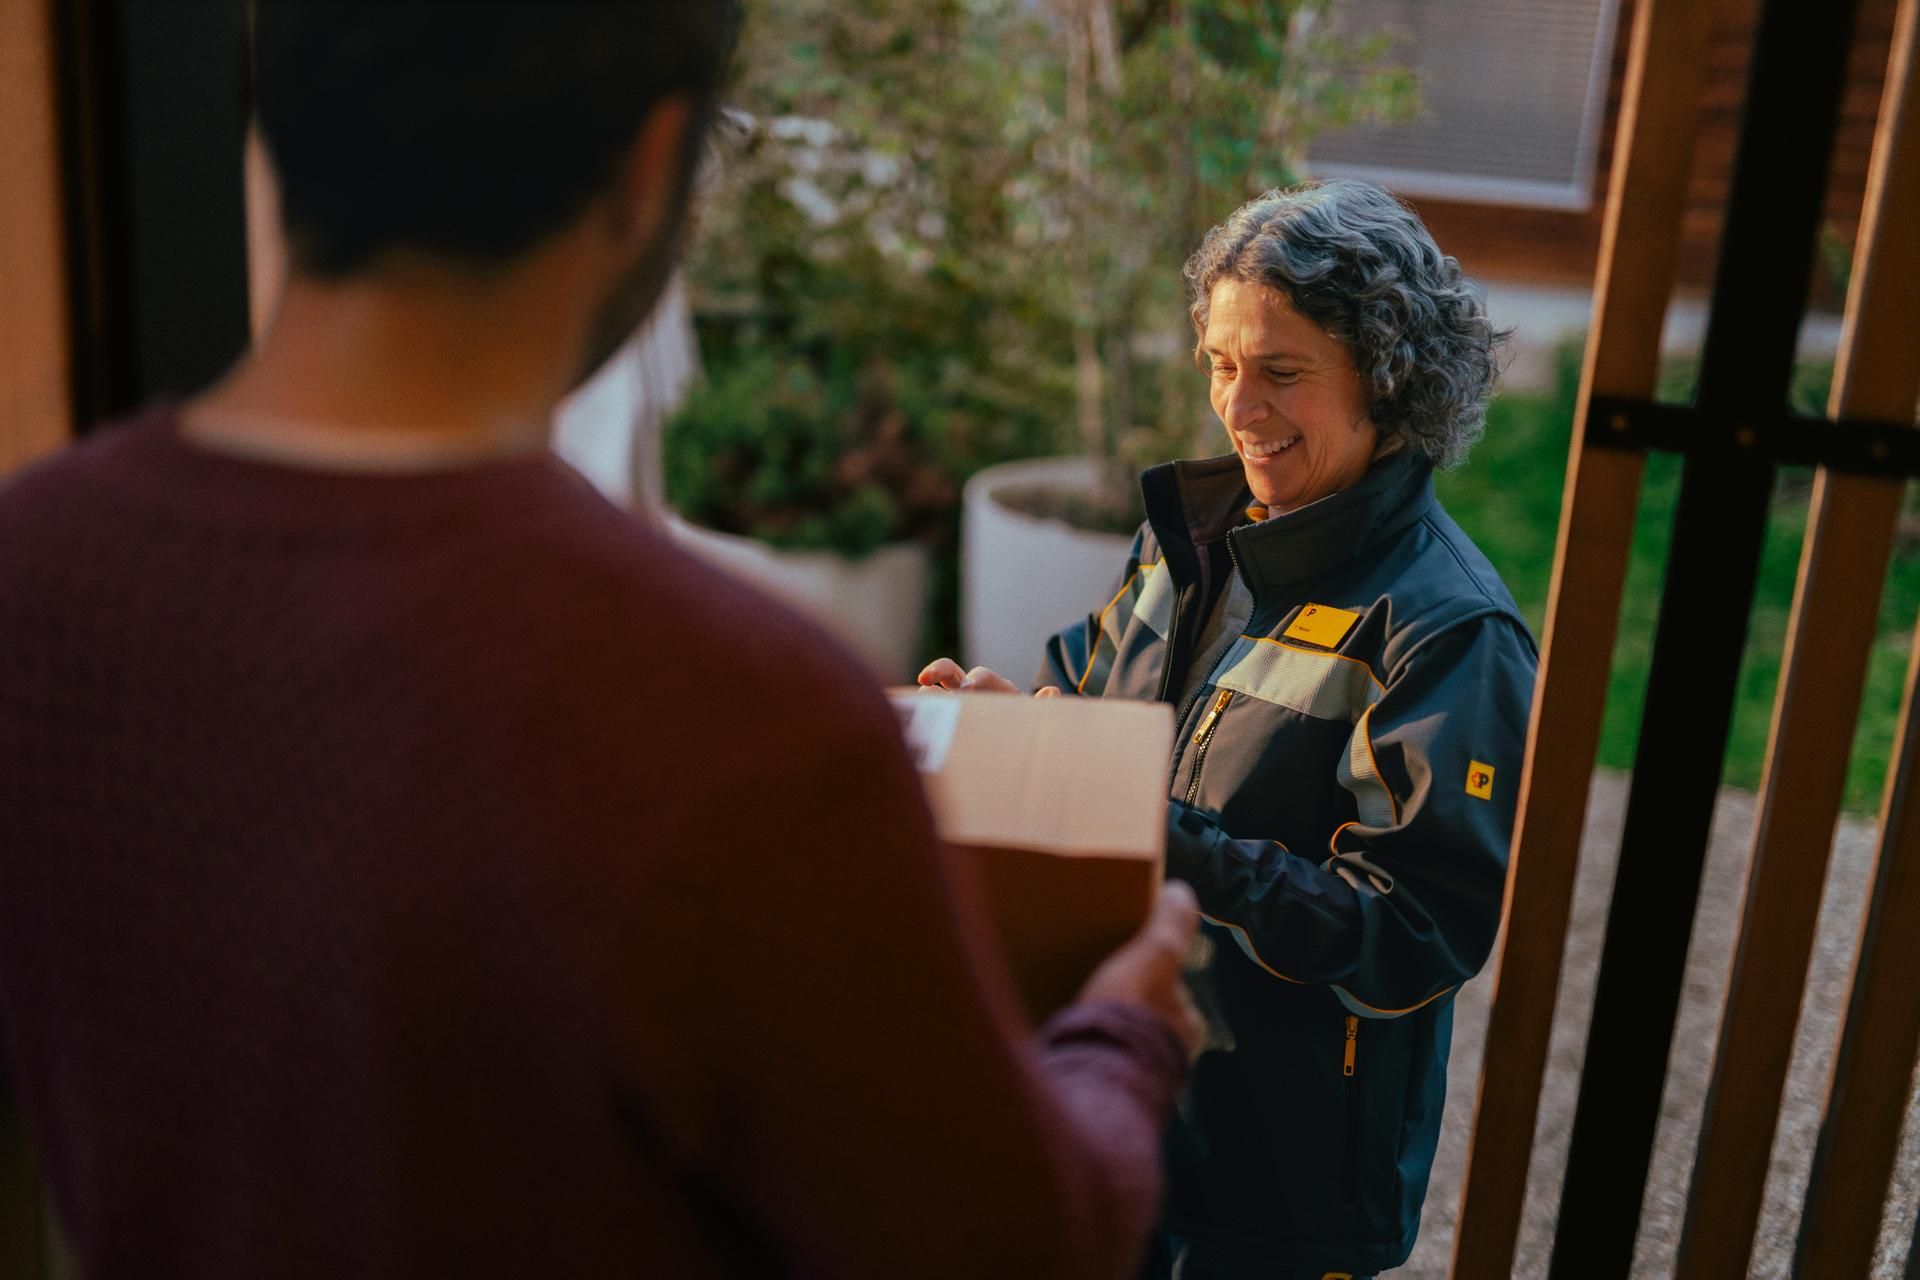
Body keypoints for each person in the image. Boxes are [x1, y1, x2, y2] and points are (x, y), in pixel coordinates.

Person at [0, 5, 1205, 1277]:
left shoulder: (36, 565)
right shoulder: (738, 707)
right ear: (652, 164)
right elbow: (1017, 1241)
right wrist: (1121, 1034)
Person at [921, 180, 1537, 1279]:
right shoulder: (1189, 541)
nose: (1238, 407)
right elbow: (1084, 690)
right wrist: (1017, 732)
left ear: (1390, 379)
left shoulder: (1447, 631)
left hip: (1278, 1190)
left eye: (1282, 372)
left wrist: (1155, 833)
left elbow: (1411, 935)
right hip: (1120, 1103)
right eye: (1219, 363)